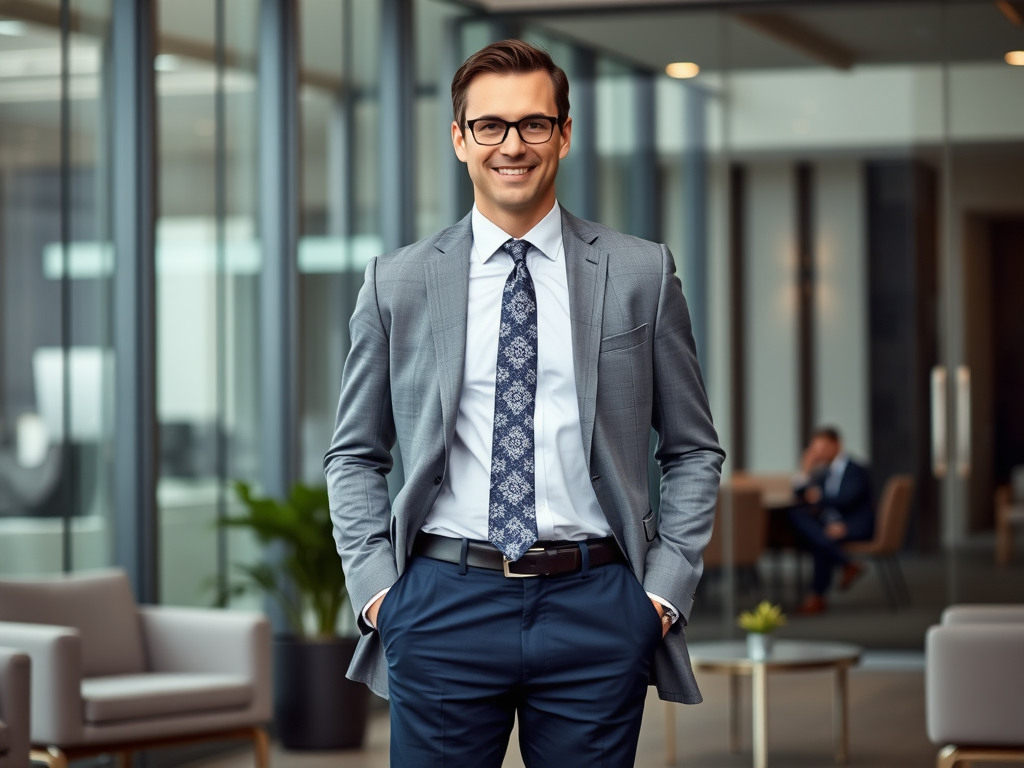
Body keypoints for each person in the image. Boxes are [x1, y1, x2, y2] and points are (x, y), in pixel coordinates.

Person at [324, 39, 723, 767]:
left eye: (534, 124)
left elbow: (694, 448)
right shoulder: (397, 282)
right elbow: (354, 452)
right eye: (490, 126)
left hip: (597, 605)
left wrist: (661, 595)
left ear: (564, 135)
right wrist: (379, 591)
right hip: (442, 604)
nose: (513, 145)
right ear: (459, 139)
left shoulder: (641, 272)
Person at [788, 426, 874, 615]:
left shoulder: (856, 469)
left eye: (822, 447)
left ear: (836, 445)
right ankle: (845, 564)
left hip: (854, 525)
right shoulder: (823, 472)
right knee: (799, 516)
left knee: (820, 539)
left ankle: (816, 597)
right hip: (832, 525)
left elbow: (846, 499)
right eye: (815, 448)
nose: (818, 452)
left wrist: (819, 498)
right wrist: (806, 468)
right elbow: (799, 495)